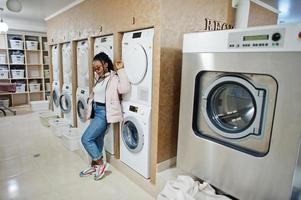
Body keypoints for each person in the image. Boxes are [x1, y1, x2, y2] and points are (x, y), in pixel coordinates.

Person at [79, 52, 130, 180]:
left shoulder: (114, 78)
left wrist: (121, 69)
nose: (96, 71)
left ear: (106, 65)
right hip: (96, 111)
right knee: (97, 140)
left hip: (104, 114)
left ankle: (100, 164)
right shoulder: (100, 79)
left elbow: (124, 88)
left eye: (98, 68)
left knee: (86, 139)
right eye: (94, 69)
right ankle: (94, 165)